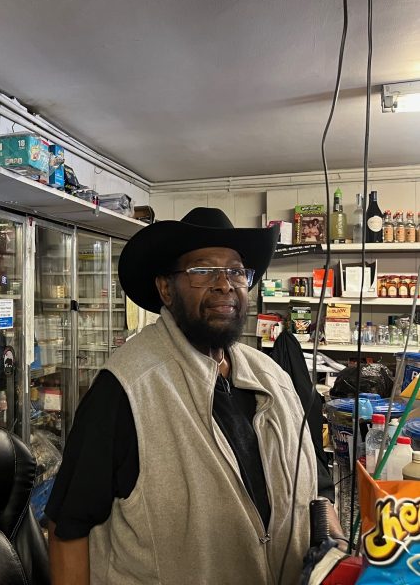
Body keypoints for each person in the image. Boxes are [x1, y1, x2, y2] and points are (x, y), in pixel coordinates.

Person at [46, 207, 339, 585]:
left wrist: (337, 545)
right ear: (166, 289)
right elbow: (68, 526)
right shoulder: (125, 389)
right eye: (202, 270)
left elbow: (316, 487)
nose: (224, 283)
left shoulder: (273, 378)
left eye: (236, 271)